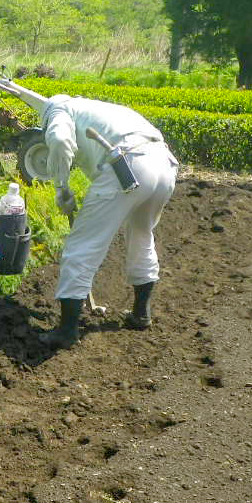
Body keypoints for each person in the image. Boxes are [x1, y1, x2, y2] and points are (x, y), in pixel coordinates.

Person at [38, 95, 178, 349]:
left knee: (82, 247)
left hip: (127, 164)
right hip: (164, 164)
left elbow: (59, 139)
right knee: (141, 234)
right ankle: (141, 314)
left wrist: (61, 188)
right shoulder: (98, 108)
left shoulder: (59, 110)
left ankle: (67, 332)